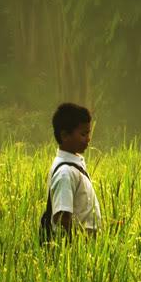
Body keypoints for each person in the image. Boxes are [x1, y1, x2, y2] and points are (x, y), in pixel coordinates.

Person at [47, 102, 102, 239]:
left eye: (89, 133)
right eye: (83, 134)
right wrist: (74, 251)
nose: (88, 139)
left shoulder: (75, 165)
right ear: (65, 136)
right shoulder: (65, 173)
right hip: (79, 248)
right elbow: (62, 218)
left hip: (90, 246)